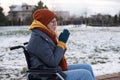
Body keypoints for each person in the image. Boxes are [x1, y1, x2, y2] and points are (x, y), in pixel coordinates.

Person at [26, 9, 96, 80]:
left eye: (55, 21)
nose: (55, 24)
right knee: (85, 74)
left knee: (87, 67)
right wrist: (61, 43)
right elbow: (53, 62)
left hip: (53, 71)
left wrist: (61, 43)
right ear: (44, 23)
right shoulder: (38, 39)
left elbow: (56, 57)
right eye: (52, 22)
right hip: (48, 76)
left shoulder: (45, 35)